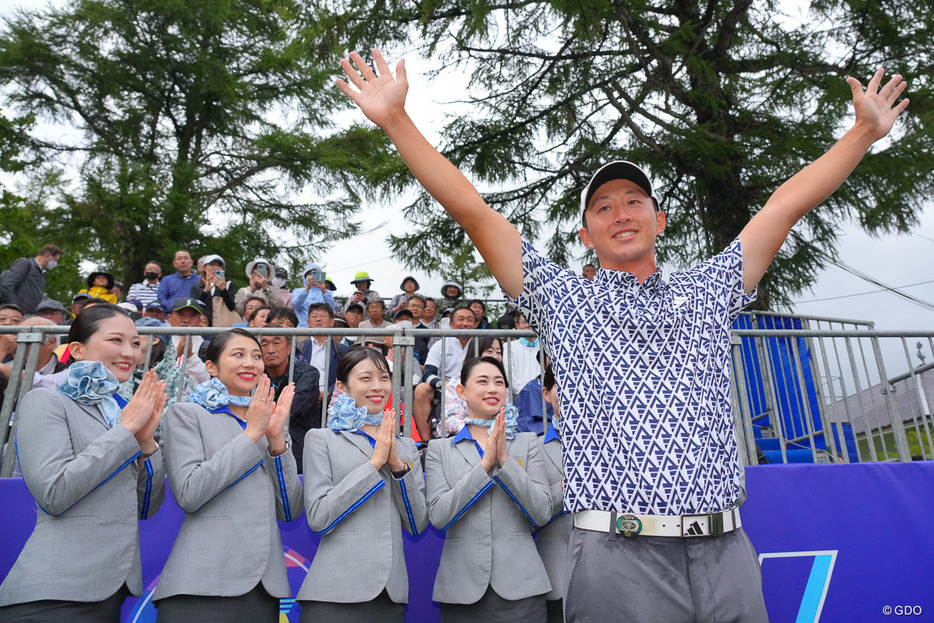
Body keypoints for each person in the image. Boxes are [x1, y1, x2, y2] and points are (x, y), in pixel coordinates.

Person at [338, 49, 908, 621]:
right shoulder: (561, 297)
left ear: (659, 220)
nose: (622, 213)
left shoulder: (709, 288)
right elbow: (474, 211)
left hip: (726, 552)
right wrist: (396, 120)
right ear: (587, 235)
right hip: (619, 557)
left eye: (635, 201)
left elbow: (784, 206)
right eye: (604, 207)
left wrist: (862, 132)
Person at [0, 304, 165, 619]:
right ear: (76, 349)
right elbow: (54, 493)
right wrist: (125, 431)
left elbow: (147, 506)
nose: (130, 352)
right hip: (53, 595)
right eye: (116, 340)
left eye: (135, 342)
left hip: (109, 595)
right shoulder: (45, 401)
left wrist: (145, 442)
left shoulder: (122, 412)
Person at [153, 329, 302, 620]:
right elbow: (190, 493)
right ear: (211, 367)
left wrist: (276, 443)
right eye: (238, 355)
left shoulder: (272, 423)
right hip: (200, 587)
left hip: (262, 592)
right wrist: (252, 434)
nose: (251, 363)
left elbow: (290, 509)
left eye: (257, 356)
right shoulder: (187, 414)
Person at [298, 346, 428, 622]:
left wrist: (396, 466)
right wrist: (374, 464)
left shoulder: (405, 446)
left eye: (383, 377)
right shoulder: (322, 439)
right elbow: (319, 517)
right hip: (333, 595)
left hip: (388, 596)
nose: (377, 386)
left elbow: (417, 524)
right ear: (342, 387)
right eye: (365, 378)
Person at [425, 356, 552, 621]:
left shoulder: (529, 443)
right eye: (482, 382)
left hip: (523, 590)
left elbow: (541, 512)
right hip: (461, 590)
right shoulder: (440, 449)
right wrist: (484, 466)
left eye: (499, 382)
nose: (493, 389)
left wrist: (505, 462)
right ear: (462, 391)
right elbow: (439, 517)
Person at [534, 364, 571, 623]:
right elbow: (533, 511)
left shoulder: (615, 444)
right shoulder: (532, 449)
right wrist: (570, 487)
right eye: (563, 385)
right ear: (546, 393)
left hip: (611, 574)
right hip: (555, 574)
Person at [413, 305, 476, 440]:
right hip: (445, 388)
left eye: (469, 320)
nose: (465, 323)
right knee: (421, 389)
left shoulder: (481, 343)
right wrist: (445, 385)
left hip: (474, 389)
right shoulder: (441, 344)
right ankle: (426, 442)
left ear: (475, 324)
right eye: (461, 319)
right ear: (452, 324)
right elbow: (428, 373)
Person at [261, 332, 320, 473]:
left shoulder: (308, 374)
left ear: (289, 348)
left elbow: (292, 407)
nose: (270, 349)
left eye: (276, 343)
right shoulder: (257, 376)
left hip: (298, 445)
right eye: (264, 345)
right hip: (262, 443)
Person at [439, 336, 504, 437]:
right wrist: (480, 433)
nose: (495, 356)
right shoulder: (455, 383)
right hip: (461, 437)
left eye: (499, 352)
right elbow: (451, 420)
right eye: (489, 351)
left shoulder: (502, 384)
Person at [0, 244, 62, 315]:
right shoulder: (25, 264)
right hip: (16, 314)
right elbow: (7, 285)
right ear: (48, 255)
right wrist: (15, 308)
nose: (55, 264)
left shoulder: (42, 275)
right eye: (55, 260)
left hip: (30, 315)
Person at [193, 254, 240, 328]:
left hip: (221, 327)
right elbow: (195, 309)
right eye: (211, 265)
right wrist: (205, 291)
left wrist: (223, 290)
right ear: (204, 268)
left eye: (219, 265)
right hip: (203, 327)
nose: (215, 268)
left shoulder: (228, 285)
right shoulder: (196, 288)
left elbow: (231, 307)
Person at [502, 313, 541, 391]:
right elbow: (509, 376)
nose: (528, 325)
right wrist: (526, 392)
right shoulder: (508, 346)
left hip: (543, 397)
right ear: (517, 325)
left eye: (533, 322)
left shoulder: (546, 348)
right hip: (518, 397)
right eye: (525, 322)